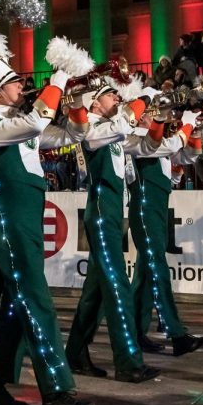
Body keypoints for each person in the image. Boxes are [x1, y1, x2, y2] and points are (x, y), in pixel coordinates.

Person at [0, 34, 94, 405]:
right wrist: (57, 79)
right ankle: (56, 391)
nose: (22, 86)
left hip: (23, 217)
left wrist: (75, 102)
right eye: (15, 83)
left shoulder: (17, 121)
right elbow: (37, 120)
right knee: (36, 300)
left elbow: (73, 136)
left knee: (15, 304)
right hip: (10, 219)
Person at [64, 80, 162, 383]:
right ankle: (128, 362)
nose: (116, 97)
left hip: (110, 214)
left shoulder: (112, 127)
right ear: (94, 103)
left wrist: (158, 119)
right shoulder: (92, 127)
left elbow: (147, 146)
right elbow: (121, 128)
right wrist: (143, 99)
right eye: (109, 95)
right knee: (118, 288)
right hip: (102, 214)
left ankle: (75, 352)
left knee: (95, 292)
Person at [124, 100, 203, 356]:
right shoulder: (138, 138)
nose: (157, 117)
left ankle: (137, 334)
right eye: (153, 114)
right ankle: (176, 333)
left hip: (157, 210)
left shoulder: (156, 141)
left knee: (145, 276)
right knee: (158, 271)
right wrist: (186, 125)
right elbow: (170, 146)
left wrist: (193, 132)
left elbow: (187, 156)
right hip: (146, 210)